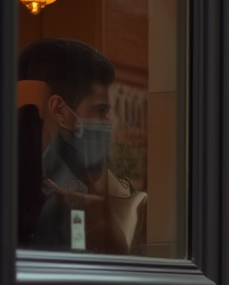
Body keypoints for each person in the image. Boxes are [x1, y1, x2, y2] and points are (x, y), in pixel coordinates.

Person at [17, 38, 146, 255]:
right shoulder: (30, 197)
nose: (109, 123)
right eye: (100, 111)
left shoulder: (129, 204)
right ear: (59, 110)